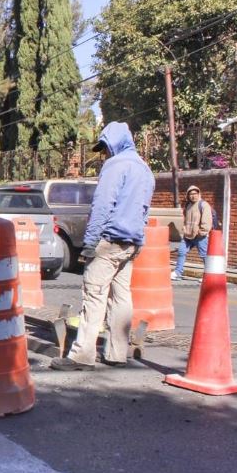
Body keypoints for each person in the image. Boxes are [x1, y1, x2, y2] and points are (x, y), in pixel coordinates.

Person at [51, 122, 154, 371]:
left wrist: (89, 243)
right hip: (132, 242)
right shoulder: (144, 169)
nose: (105, 153)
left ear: (114, 143)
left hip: (109, 241)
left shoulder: (115, 166)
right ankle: (117, 353)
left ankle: (82, 356)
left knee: (94, 295)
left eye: (106, 147)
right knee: (121, 296)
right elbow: (144, 209)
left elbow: (102, 206)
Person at [172, 185, 212, 281]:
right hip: (188, 235)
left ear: (198, 194)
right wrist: (184, 229)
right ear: (188, 195)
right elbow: (186, 219)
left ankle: (208, 275)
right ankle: (178, 272)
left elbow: (207, 220)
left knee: (204, 255)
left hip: (199, 236)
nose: (193, 196)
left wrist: (201, 232)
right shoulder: (188, 205)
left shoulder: (203, 205)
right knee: (181, 251)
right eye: (190, 194)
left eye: (195, 194)